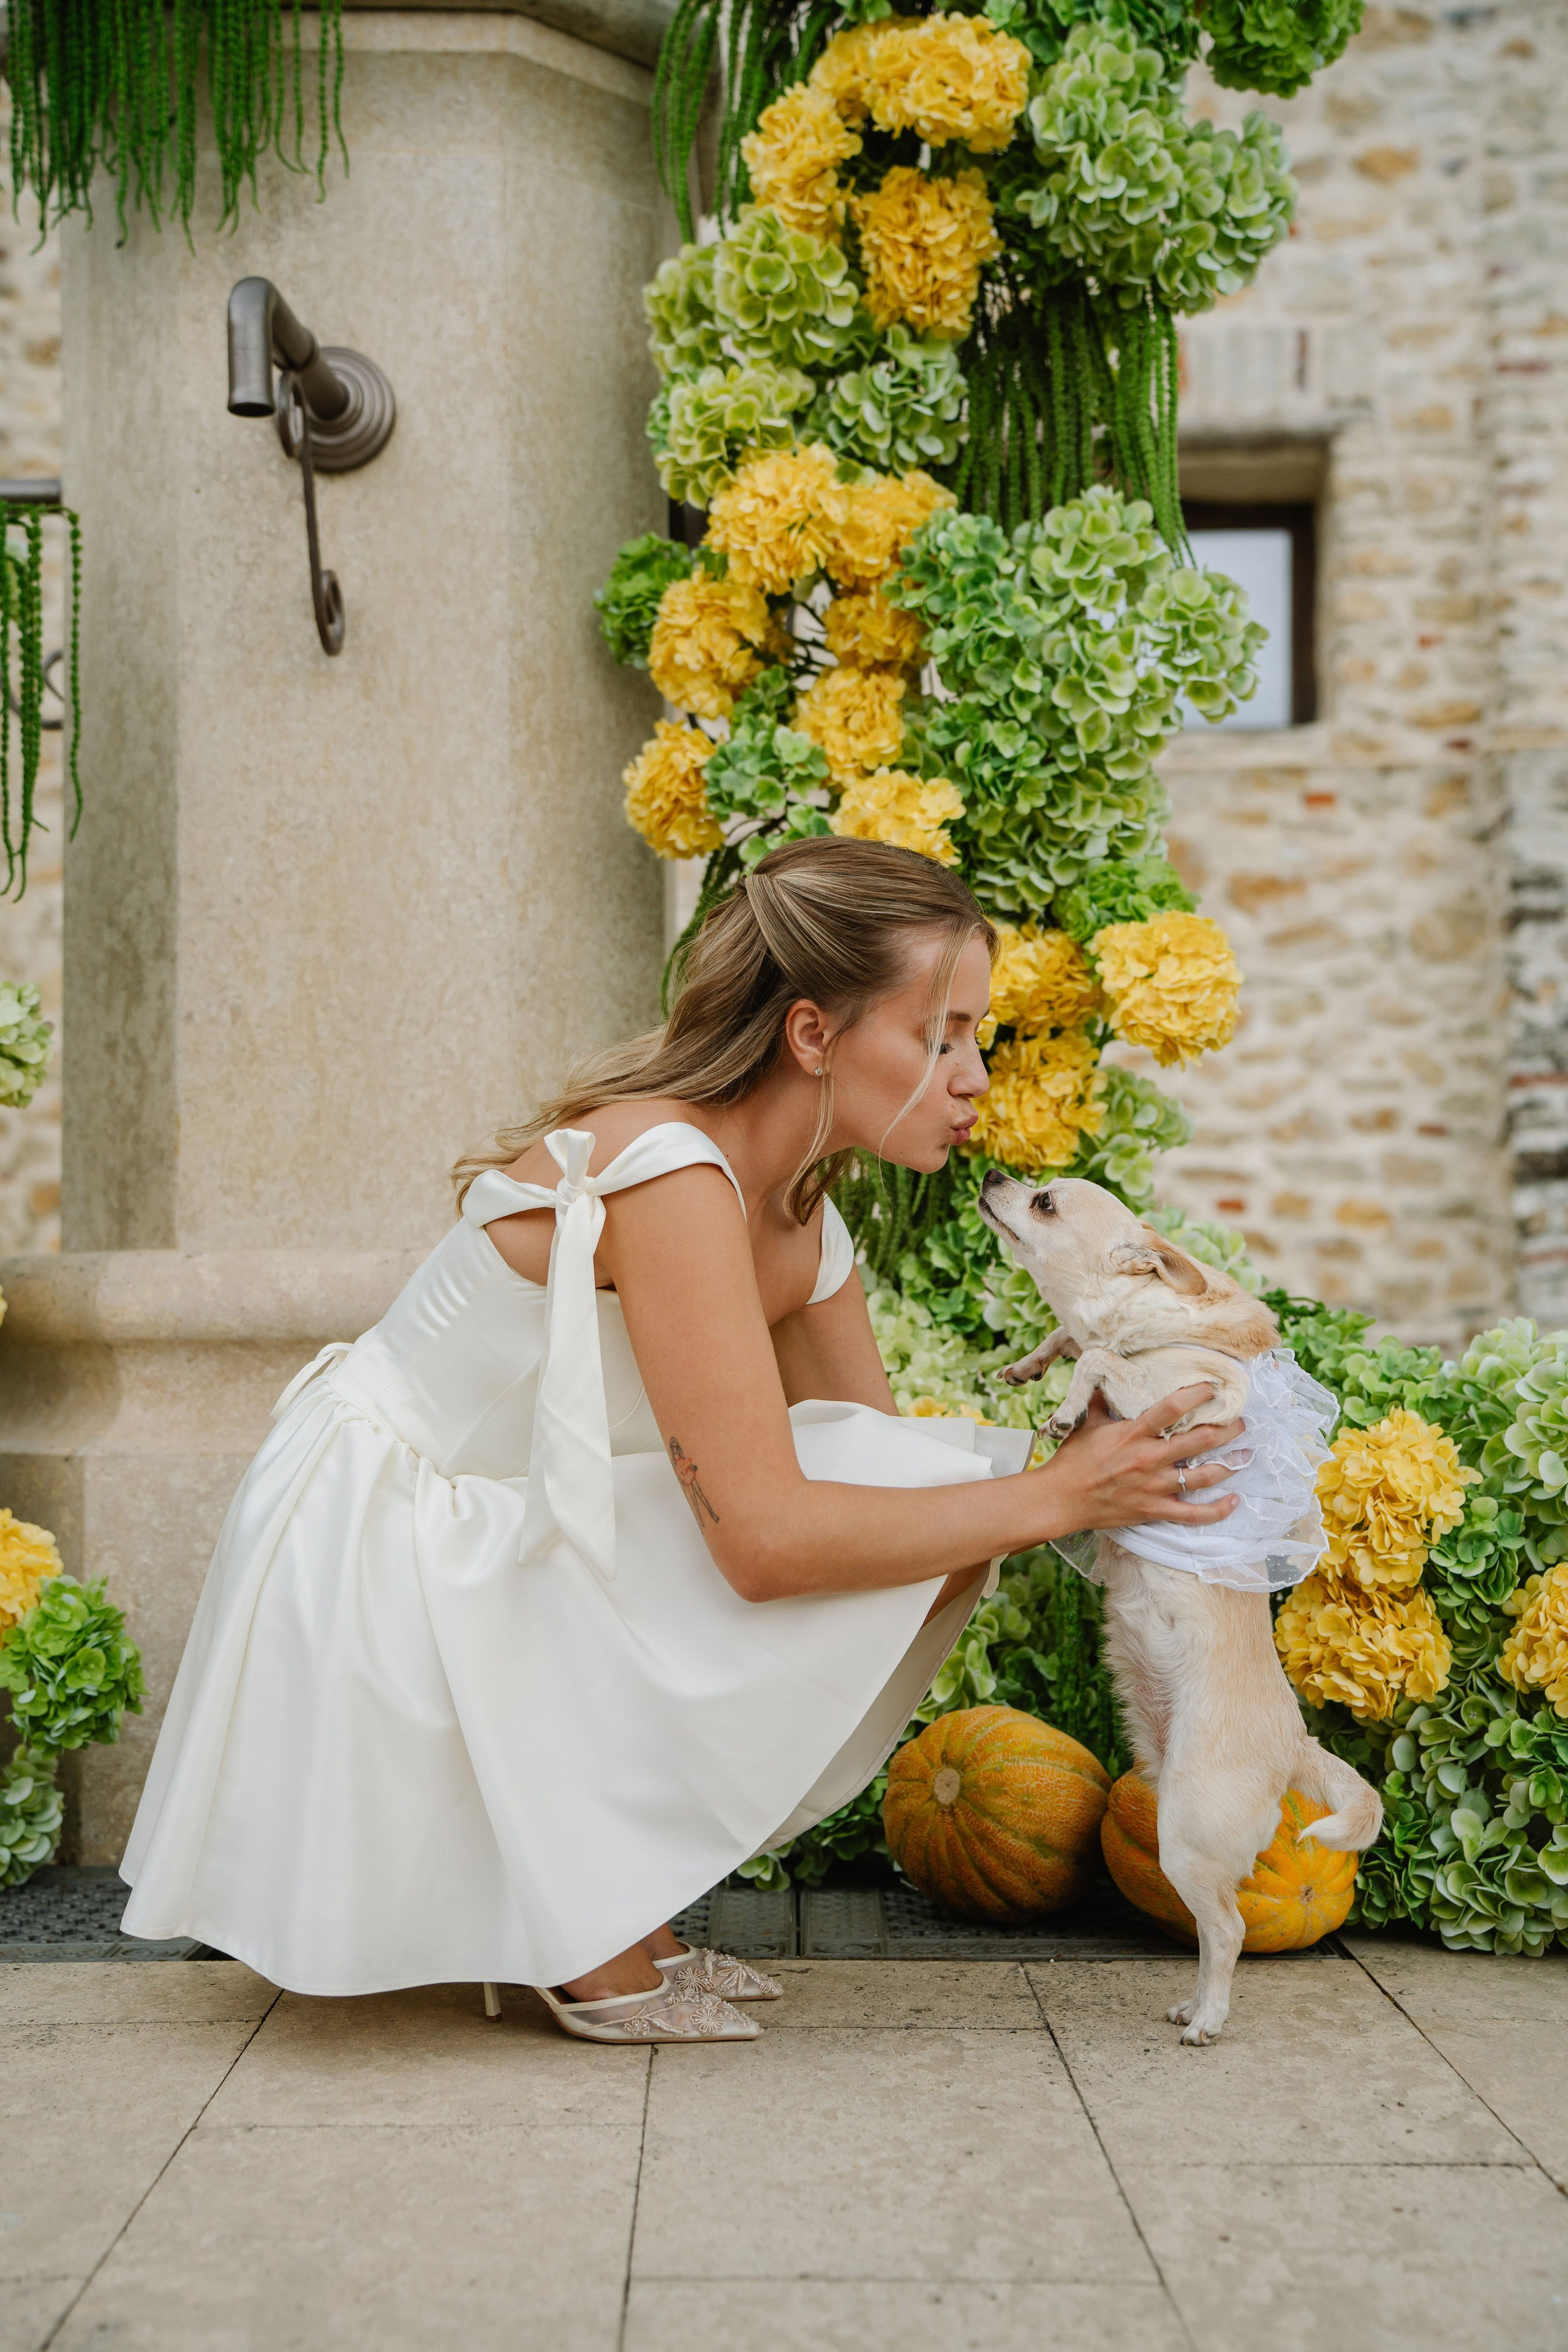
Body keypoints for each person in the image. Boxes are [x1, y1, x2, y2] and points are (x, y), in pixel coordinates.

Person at [121, 838, 1240, 2043]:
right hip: (388, 1539)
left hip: (526, 1516)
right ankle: (583, 1921)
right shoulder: (665, 1170)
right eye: (939, 1036)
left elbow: (868, 1499)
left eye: (975, 1038)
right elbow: (762, 1544)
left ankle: (624, 1886)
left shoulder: (802, 1223)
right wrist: (1062, 1495)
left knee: (928, 1508)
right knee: (937, 1508)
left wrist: (1105, 1402)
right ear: (812, 1036)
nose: (970, 1076)